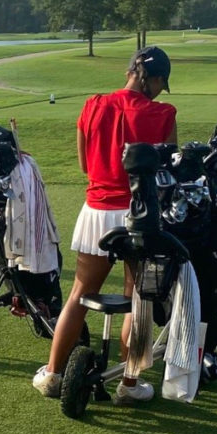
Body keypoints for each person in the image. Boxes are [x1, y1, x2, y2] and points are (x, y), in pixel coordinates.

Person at [33, 46, 177, 404]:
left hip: (96, 211)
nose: (161, 90)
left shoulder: (93, 105)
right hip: (141, 216)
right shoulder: (163, 114)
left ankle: (52, 374)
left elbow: (85, 164)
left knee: (80, 295)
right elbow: (167, 172)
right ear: (154, 78)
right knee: (138, 300)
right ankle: (129, 384)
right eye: (161, 83)